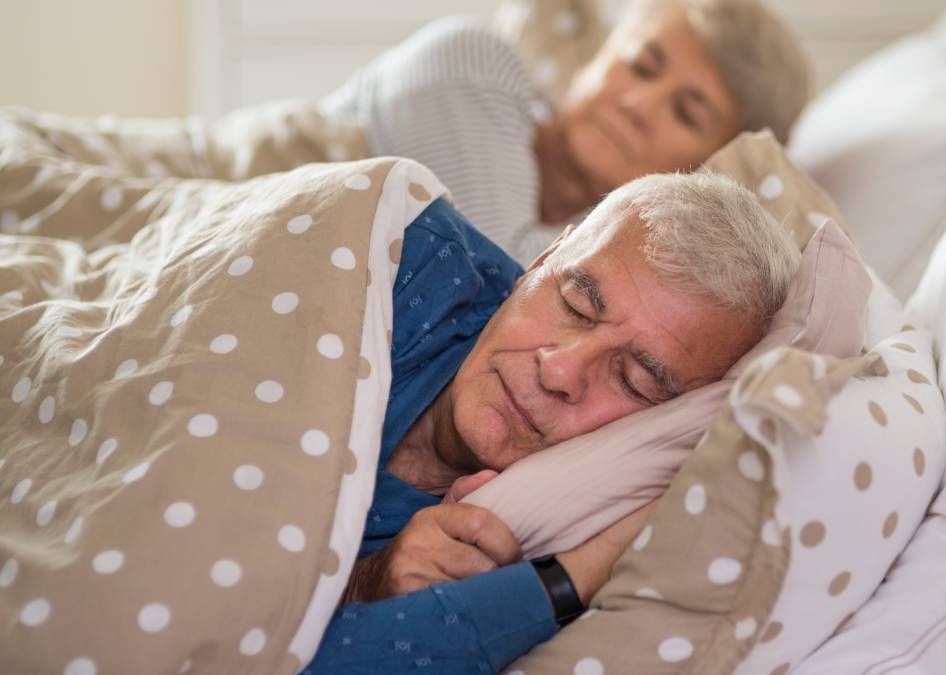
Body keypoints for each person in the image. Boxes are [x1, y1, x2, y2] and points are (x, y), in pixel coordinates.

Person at [303, 171, 801, 673]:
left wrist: (568, 577)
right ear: (541, 261)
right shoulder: (405, 259)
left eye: (634, 381)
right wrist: (362, 584)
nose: (559, 369)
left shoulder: (549, 540)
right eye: (575, 305)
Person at [321, 0, 810, 264]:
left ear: (713, 166)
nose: (637, 105)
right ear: (596, 58)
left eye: (686, 114)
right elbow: (485, 280)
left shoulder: (617, 249)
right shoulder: (472, 61)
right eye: (641, 65)